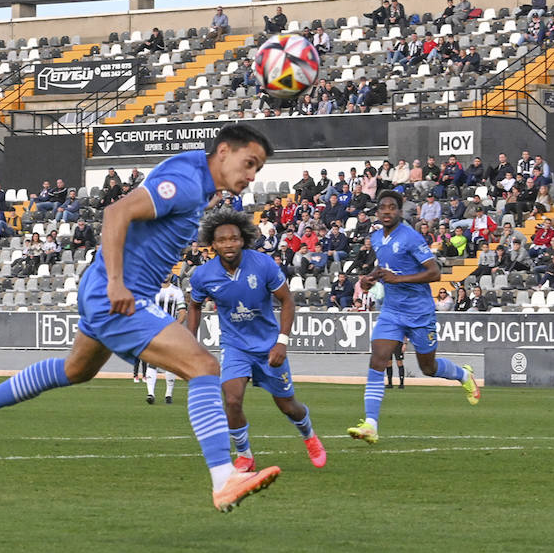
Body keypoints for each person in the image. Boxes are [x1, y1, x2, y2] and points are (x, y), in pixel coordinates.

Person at [0, 124, 281, 513]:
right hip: (119, 296)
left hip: (103, 290)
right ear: (224, 152)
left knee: (75, 370)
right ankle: (223, 478)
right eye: (249, 163)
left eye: (257, 168)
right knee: (205, 366)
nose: (252, 176)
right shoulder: (189, 183)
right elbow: (116, 211)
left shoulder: (196, 176)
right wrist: (118, 283)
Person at [186, 208, 326, 472]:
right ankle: (245, 455)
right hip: (235, 346)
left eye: (234, 238)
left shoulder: (262, 264)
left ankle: (309, 437)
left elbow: (287, 300)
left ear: (243, 240)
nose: (229, 244)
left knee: (288, 406)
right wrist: (191, 343)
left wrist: (282, 341)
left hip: (269, 346)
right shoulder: (203, 275)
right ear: (213, 244)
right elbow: (193, 306)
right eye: (222, 240)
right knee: (233, 400)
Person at [348, 190, 481, 445]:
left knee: (427, 368)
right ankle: (371, 425)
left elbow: (435, 272)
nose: (386, 211)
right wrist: (369, 278)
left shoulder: (410, 237)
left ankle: (464, 375)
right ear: (377, 212)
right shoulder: (376, 237)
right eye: (382, 207)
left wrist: (399, 279)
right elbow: (384, 266)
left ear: (399, 211)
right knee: (378, 358)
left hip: (419, 312)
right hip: (392, 310)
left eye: (391, 207)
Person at [143, 276, 186, 405]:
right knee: (152, 361)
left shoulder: (177, 291)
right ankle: (150, 393)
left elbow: (182, 312)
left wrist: (176, 325)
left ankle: (168, 395)